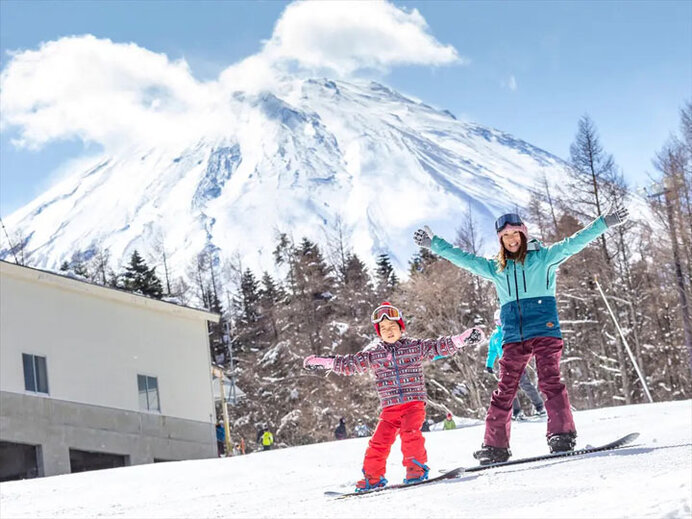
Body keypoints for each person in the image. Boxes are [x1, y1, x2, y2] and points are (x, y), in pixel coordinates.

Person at [413, 207, 628, 463]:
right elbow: (464, 259)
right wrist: (434, 243)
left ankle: (562, 434)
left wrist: (604, 223)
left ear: (523, 234)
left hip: (544, 329)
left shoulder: (545, 257)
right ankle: (495, 446)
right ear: (500, 241)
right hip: (513, 335)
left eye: (515, 234)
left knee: (549, 380)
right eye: (505, 236)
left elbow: (575, 242)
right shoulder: (496, 268)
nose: (511, 239)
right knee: (505, 388)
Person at [303, 301, 484, 492]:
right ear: (379, 332)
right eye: (383, 328)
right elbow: (352, 363)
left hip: (413, 404)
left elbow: (437, 347)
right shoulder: (374, 354)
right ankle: (372, 478)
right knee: (378, 442)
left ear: (401, 327)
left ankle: (416, 470)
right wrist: (327, 363)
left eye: (392, 326)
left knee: (410, 434)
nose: (388, 331)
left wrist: (461, 340)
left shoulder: (414, 347)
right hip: (389, 409)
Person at [487, 309, 546, 421]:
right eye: (497, 321)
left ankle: (540, 407)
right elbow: (492, 351)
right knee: (508, 388)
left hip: (516, 361)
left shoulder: (511, 331)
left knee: (525, 385)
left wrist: (525, 356)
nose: (499, 323)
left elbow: (522, 344)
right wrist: (489, 365)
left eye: (500, 320)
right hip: (504, 364)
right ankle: (516, 412)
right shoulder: (495, 336)